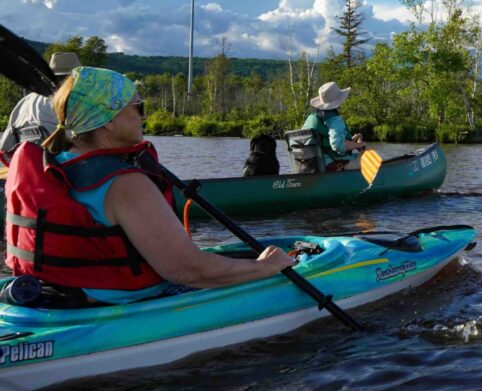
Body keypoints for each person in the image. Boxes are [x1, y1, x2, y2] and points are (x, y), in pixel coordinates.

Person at [4, 66, 294, 305]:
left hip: (54, 296)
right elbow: (188, 270)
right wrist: (265, 268)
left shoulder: (57, 163)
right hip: (115, 303)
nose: (143, 115)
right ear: (107, 121)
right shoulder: (125, 183)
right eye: (137, 107)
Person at [0, 52, 81, 157]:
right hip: (63, 166)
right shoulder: (72, 102)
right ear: (74, 78)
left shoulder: (25, 101)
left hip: (30, 167)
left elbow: (5, 147)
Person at [301, 81, 366, 172]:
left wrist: (352, 140)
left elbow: (326, 141)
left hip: (312, 165)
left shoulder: (311, 118)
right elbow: (338, 146)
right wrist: (359, 145)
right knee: (371, 158)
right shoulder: (335, 120)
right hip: (333, 164)